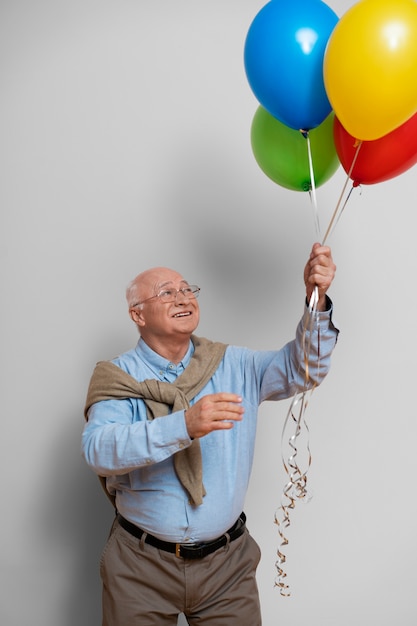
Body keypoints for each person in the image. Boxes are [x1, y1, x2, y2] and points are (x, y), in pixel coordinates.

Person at [82, 242, 338, 626]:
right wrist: (182, 426)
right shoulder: (118, 377)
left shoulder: (234, 363)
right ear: (137, 314)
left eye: (187, 289)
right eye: (166, 293)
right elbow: (100, 450)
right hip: (140, 565)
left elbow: (304, 368)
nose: (182, 297)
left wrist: (316, 301)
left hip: (227, 567)